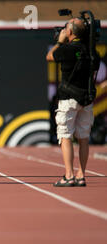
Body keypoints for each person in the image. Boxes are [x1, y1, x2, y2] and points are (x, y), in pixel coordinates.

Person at [46, 17, 100, 187]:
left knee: (65, 135)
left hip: (68, 98)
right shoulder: (92, 51)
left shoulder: (67, 49)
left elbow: (50, 56)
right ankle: (81, 174)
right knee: (83, 138)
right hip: (86, 99)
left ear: (70, 32)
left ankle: (68, 175)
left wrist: (60, 42)